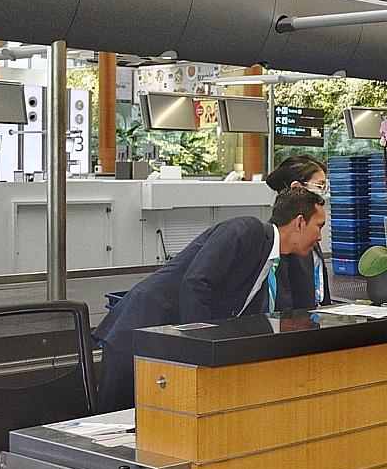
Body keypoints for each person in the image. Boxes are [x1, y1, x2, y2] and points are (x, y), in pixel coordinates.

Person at [93, 188, 328, 412]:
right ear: (299, 222)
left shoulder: (273, 262)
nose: (319, 237)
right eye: (319, 227)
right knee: (113, 423)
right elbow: (196, 284)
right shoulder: (247, 230)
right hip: (140, 330)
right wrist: (202, 351)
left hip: (166, 344)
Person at [264, 154, 332, 309]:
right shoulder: (283, 240)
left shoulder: (310, 229)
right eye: (320, 186)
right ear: (297, 188)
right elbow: (282, 299)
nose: (324, 194)